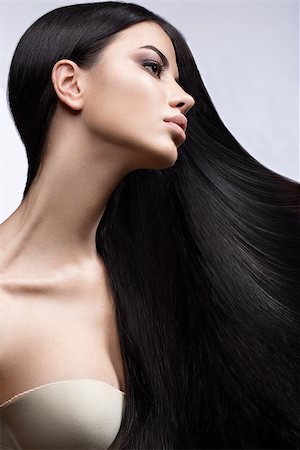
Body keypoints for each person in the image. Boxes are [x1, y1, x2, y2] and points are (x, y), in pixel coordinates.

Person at [0, 1, 299, 449]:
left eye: (176, 78)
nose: (184, 97)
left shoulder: (166, 286)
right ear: (70, 83)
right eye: (153, 67)